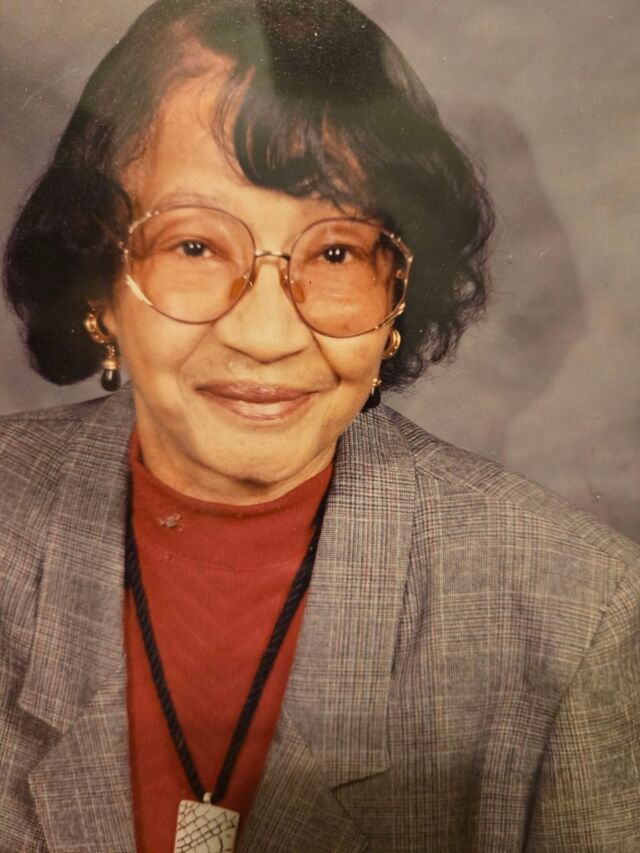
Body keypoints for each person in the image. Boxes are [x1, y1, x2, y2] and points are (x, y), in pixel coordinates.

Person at [1, 1, 639, 851]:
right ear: (98, 285)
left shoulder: (578, 612)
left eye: (335, 253)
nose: (266, 334)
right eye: (195, 246)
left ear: (397, 295)